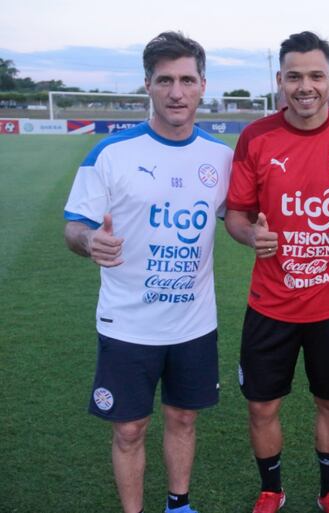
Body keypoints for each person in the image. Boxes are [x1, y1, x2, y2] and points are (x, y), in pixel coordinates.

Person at [63, 31, 232, 513]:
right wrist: (88, 240)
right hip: (128, 324)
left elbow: (235, 219)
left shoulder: (220, 158)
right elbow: (74, 226)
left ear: (202, 85)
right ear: (147, 85)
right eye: (164, 80)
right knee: (130, 428)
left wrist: (254, 234)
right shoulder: (111, 154)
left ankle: (178, 504)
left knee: (182, 419)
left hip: (194, 323)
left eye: (186, 80)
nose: (176, 92)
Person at [224, 31, 329, 513]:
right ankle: (271, 490)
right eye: (294, 76)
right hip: (270, 302)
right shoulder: (257, 136)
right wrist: (252, 236)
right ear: (280, 80)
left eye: (316, 75)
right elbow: (236, 215)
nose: (305, 85)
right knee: (261, 405)